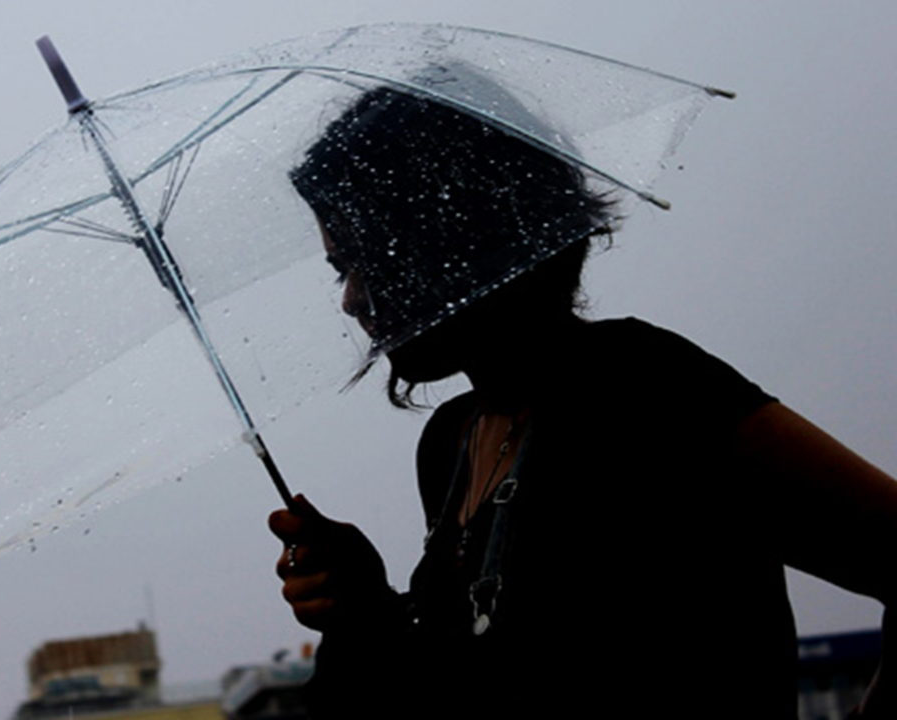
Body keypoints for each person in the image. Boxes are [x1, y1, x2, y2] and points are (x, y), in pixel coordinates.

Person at [268, 85, 897, 717]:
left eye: (369, 260)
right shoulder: (453, 440)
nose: (351, 299)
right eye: (338, 269)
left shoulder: (645, 387)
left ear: (454, 234)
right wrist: (364, 611)